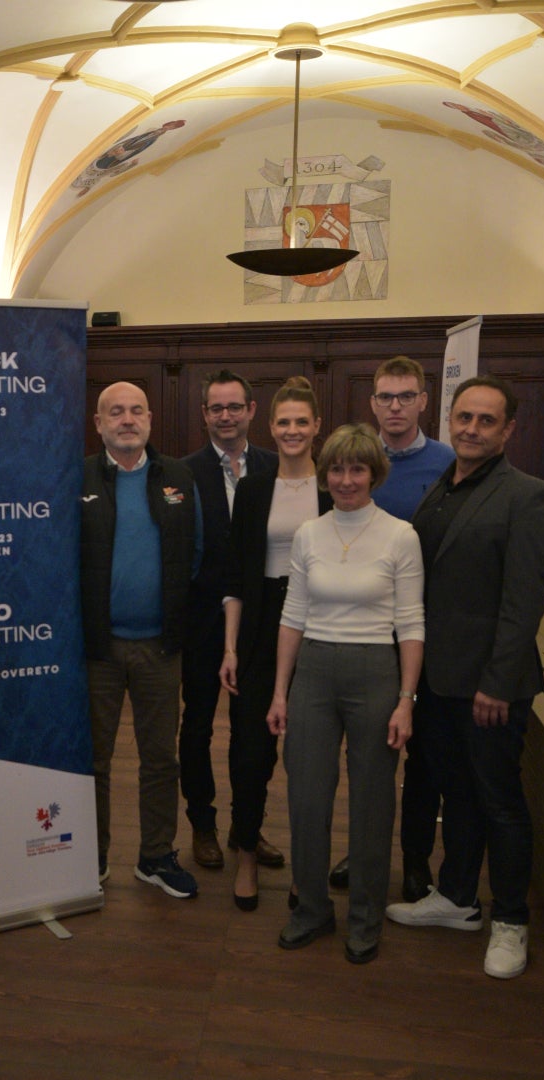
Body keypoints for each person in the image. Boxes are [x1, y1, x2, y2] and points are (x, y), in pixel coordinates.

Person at [385, 376, 544, 980]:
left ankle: (510, 920)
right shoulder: (442, 489)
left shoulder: (528, 496)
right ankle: (458, 899)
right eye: (465, 418)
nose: (472, 429)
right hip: (435, 680)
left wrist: (498, 683)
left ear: (508, 430)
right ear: (450, 421)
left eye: (487, 421)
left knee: (500, 803)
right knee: (456, 796)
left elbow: (524, 600)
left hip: (489, 688)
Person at [265, 424, 424, 963]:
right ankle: (310, 909)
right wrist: (280, 692)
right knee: (306, 796)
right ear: (324, 473)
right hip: (313, 672)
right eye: (336, 469)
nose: (346, 479)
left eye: (358, 469)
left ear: (374, 474)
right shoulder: (309, 533)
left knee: (373, 800)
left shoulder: (401, 535)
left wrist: (406, 698)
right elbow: (293, 616)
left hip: (377, 674)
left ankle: (365, 916)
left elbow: (412, 624)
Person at [329, 356, 456, 899]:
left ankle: (416, 861)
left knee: (424, 759)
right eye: (385, 397)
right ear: (373, 402)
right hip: (364, 638)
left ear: (425, 401)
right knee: (369, 760)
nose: (396, 406)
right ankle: (364, 854)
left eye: (406, 396)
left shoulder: (450, 463)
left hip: (426, 632)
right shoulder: (355, 461)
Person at [81, 380, 202, 899]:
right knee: (93, 759)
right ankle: (90, 858)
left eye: (135, 411)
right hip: (98, 649)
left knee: (160, 757)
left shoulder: (177, 475)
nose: (126, 420)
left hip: (159, 646)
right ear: (99, 423)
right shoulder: (78, 477)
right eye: (116, 412)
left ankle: (155, 856)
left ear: (150, 419)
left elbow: (193, 552)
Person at [218, 377, 327, 911]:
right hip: (261, 627)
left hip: (322, 629)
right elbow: (236, 578)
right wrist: (231, 648)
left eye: (300, 421)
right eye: (282, 422)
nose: (291, 430)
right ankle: (245, 852)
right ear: (271, 426)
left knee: (310, 756)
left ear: (316, 426)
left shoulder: (335, 486)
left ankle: (308, 868)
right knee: (250, 751)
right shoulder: (255, 488)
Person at [180, 369, 278, 873]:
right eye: (216, 408)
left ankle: (247, 828)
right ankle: (202, 825)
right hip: (200, 624)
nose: (225, 416)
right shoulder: (181, 472)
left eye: (234, 407)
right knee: (197, 729)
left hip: (259, 625)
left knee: (253, 734)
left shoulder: (277, 468)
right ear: (205, 415)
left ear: (251, 410)